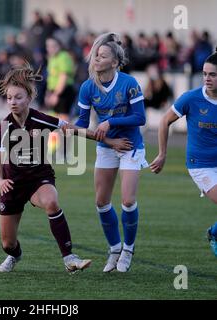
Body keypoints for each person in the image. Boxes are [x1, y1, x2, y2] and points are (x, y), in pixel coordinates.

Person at [0, 63, 132, 273]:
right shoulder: (3, 127)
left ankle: (69, 258)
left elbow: (74, 130)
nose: (13, 102)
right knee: (8, 244)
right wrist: (0, 181)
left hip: (39, 179)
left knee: (51, 201)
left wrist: (110, 143)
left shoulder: (40, 119)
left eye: (18, 97)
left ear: (29, 98)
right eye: (10, 98)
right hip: (12, 185)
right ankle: (15, 256)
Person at [75, 32, 148, 273]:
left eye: (103, 55)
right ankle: (114, 249)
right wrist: (67, 128)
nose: (96, 58)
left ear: (115, 63)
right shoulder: (87, 87)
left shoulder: (129, 83)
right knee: (101, 202)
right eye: (96, 54)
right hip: (107, 146)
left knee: (127, 200)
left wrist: (110, 122)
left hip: (130, 145)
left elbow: (140, 118)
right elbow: (83, 125)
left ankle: (128, 249)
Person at [150, 48, 217, 257]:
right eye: (205, 74)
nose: (207, 78)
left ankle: (214, 232)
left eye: (213, 74)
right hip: (200, 164)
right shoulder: (191, 98)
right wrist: (162, 154)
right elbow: (164, 121)